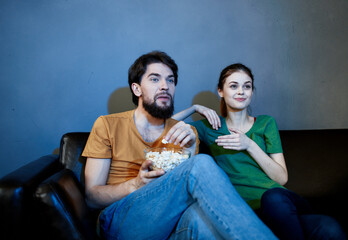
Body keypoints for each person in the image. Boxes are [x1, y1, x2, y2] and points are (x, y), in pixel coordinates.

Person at [82, 51, 277, 240]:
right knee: (200, 164)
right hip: (123, 221)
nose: (165, 86)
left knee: (203, 224)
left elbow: (187, 193)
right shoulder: (108, 124)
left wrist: (191, 149)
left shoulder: (186, 133)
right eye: (155, 79)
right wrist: (135, 184)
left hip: (171, 223)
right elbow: (92, 198)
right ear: (137, 89)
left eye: (171, 80)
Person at [172, 63, 346, 240]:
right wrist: (194, 108)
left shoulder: (266, 123)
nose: (241, 91)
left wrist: (249, 145)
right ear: (220, 91)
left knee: (273, 198)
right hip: (246, 213)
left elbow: (281, 178)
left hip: (281, 203)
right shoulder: (210, 127)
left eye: (247, 86)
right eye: (233, 86)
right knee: (329, 228)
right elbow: (161, 126)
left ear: (251, 92)